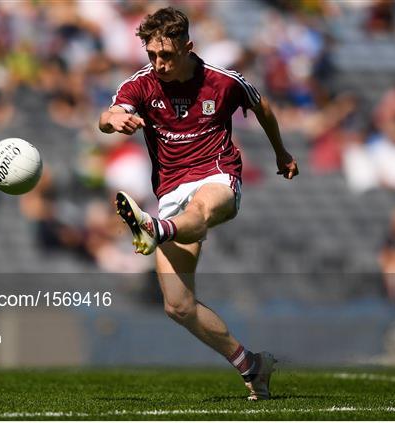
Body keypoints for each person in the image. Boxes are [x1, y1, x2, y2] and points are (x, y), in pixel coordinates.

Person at [98, 7, 299, 400]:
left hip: (217, 175)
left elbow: (263, 108)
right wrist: (112, 121)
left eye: (167, 55)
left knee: (200, 213)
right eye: (152, 55)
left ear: (189, 47)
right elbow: (109, 114)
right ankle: (252, 366)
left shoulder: (223, 82)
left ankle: (153, 228)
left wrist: (281, 154)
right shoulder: (141, 84)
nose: (159, 64)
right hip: (170, 190)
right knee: (178, 306)